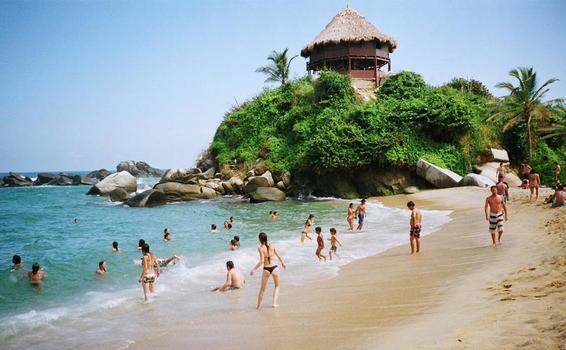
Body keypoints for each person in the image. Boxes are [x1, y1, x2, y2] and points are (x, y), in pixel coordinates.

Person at [250, 232, 286, 309]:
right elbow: (278, 255)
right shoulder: (272, 245)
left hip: (266, 269)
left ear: (260, 239)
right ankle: (274, 303)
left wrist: (254, 269)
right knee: (277, 286)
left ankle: (258, 307)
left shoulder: (260, 248)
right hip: (274, 267)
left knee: (262, 289)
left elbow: (262, 261)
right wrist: (283, 263)